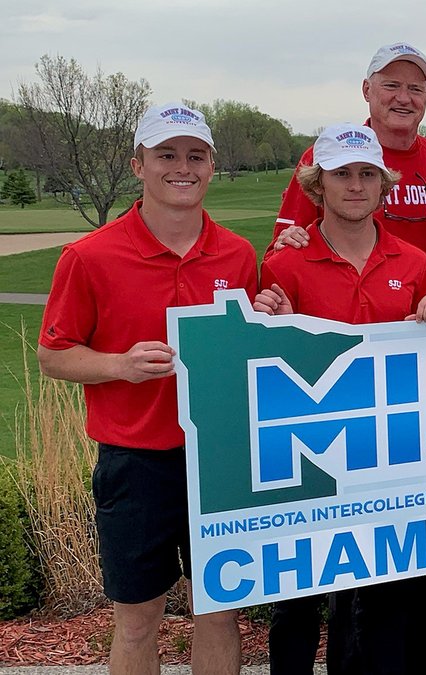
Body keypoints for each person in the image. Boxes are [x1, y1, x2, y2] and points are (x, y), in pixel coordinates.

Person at [265, 41, 426, 675]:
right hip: (312, 450)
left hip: (390, 446)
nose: (354, 186)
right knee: (300, 598)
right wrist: (265, 316)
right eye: (341, 175)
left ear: (384, 184)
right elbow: (264, 349)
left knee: (384, 592)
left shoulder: (410, 263)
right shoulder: (286, 264)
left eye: (366, 176)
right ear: (317, 182)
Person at [38, 102, 256, 675]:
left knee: (220, 613)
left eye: (195, 156)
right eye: (166, 155)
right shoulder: (89, 256)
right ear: (138, 165)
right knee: (137, 620)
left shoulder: (238, 254)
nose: (181, 167)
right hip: (136, 464)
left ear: (211, 167)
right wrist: (118, 364)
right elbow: (53, 356)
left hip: (221, 460)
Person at [270, 41, 426, 258]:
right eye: (391, 85)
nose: (404, 98)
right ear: (367, 90)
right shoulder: (327, 158)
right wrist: (287, 240)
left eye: (415, 89)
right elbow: (279, 255)